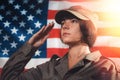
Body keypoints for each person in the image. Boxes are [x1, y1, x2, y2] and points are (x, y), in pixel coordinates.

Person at [0, 5, 119, 80]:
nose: (65, 26)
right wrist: (30, 47)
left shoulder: (105, 67)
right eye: (63, 22)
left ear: (88, 28)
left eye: (73, 21)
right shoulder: (49, 68)